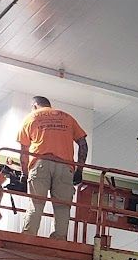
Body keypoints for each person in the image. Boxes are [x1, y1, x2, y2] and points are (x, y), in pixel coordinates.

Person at [17, 96, 88, 238]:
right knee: (62, 207)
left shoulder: (30, 118)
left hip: (41, 164)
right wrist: (79, 169)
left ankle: (28, 236)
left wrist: (24, 173)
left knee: (36, 203)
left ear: (35, 106)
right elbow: (83, 144)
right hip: (65, 167)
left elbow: (24, 151)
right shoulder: (67, 117)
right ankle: (59, 239)